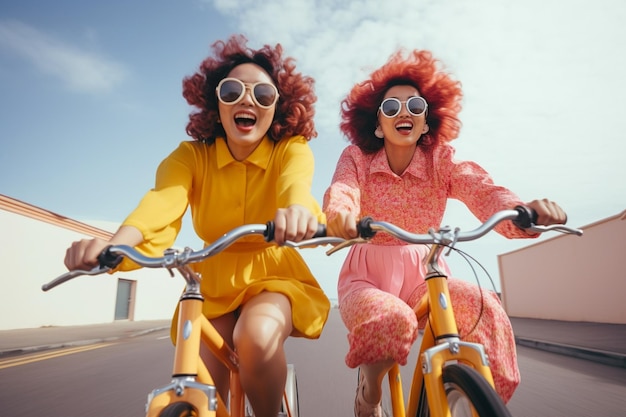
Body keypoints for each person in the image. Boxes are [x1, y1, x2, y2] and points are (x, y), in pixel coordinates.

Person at [64, 34, 330, 417]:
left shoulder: (291, 149)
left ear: (278, 107)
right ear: (215, 102)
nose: (247, 101)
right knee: (202, 384)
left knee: (256, 338)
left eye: (263, 95)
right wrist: (111, 247)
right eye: (233, 90)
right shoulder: (190, 156)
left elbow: (296, 187)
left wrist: (298, 213)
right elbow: (160, 203)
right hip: (212, 281)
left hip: (272, 273)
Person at [323, 49, 567, 417]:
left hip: (427, 273)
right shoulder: (356, 158)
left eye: (414, 106)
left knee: (479, 302)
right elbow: (343, 191)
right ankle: (368, 394)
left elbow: (481, 188)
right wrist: (340, 216)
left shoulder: (442, 159)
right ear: (377, 124)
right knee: (390, 320)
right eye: (391, 108)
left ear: (426, 122)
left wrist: (522, 212)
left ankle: (477, 403)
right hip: (366, 278)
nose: (403, 113)